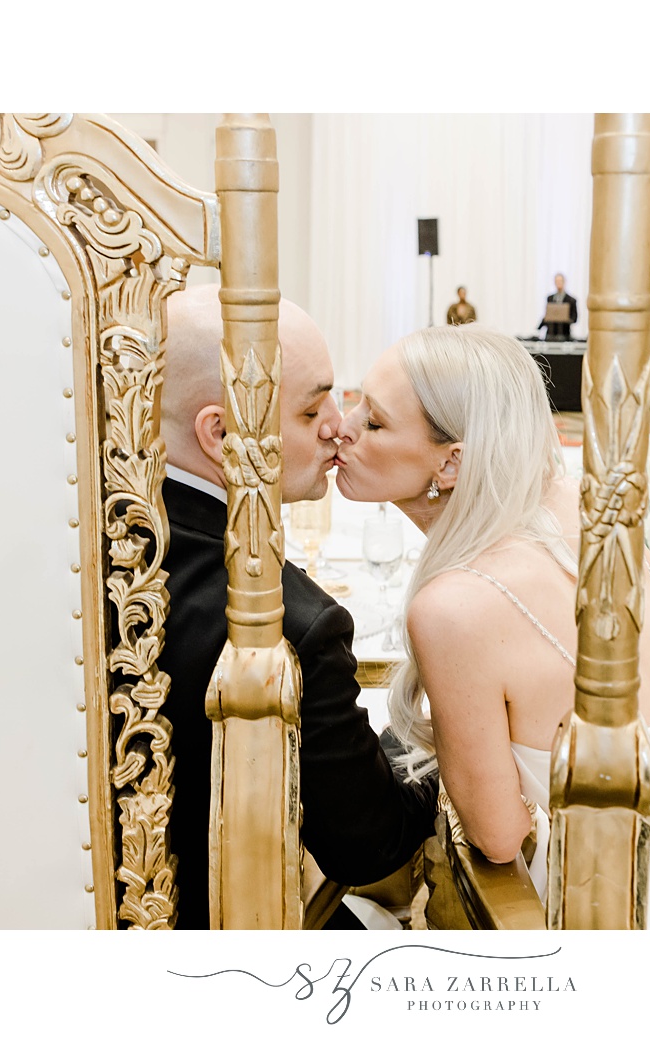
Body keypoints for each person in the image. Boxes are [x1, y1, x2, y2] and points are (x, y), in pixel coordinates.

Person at [332, 324, 650, 930]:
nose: (341, 427)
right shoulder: (593, 508)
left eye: (373, 423)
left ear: (451, 461)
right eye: (353, 401)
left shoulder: (451, 609)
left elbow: (499, 837)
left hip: (608, 916)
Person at [156, 284, 438, 930]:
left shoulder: (86, 547)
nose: (341, 427)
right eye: (313, 413)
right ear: (223, 434)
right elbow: (368, 843)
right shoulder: (289, 623)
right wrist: (441, 744)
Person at [538, 273, 578, 341]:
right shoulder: (550, 298)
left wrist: (565, 319)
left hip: (564, 334)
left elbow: (574, 318)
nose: (558, 283)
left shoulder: (571, 300)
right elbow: (547, 315)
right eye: (557, 281)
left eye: (560, 281)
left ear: (564, 282)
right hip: (550, 334)